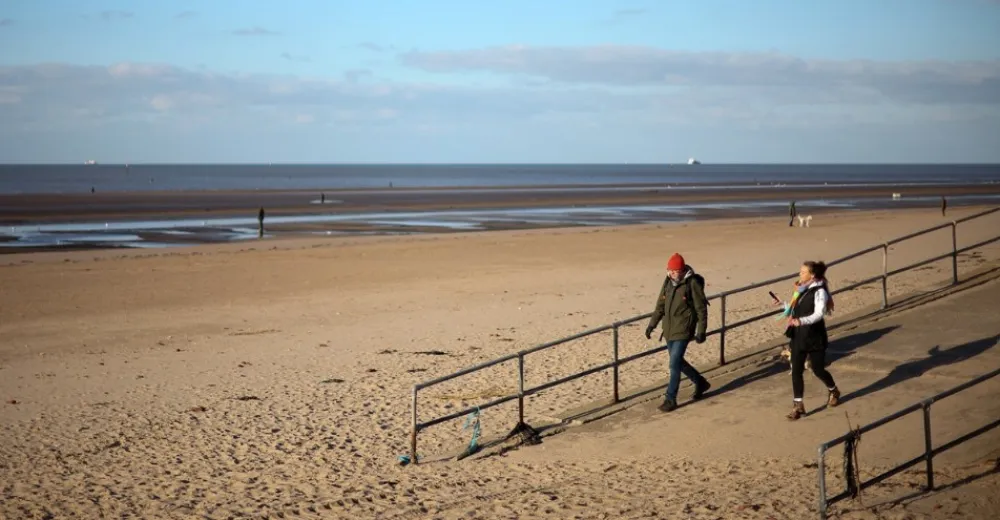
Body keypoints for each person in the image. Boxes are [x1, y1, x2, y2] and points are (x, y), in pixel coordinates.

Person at [645, 253, 711, 412]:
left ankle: (670, 399)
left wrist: (701, 331)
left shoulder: (692, 283)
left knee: (674, 363)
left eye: (676, 271)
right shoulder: (668, 281)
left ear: (683, 270)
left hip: (684, 329)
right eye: (671, 271)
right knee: (679, 362)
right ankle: (700, 382)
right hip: (668, 329)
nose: (673, 274)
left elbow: (701, 309)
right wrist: (651, 325)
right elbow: (660, 305)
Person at [783, 260, 840, 421]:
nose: (799, 274)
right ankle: (798, 405)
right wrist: (783, 305)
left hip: (814, 336)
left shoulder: (820, 291)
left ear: (812, 275)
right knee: (796, 371)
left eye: (802, 272)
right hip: (798, 336)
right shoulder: (801, 289)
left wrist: (801, 321)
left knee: (818, 369)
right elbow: (797, 309)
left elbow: (818, 314)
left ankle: (834, 390)